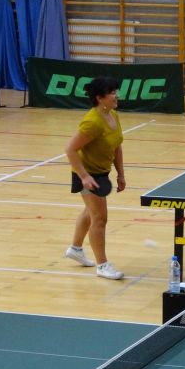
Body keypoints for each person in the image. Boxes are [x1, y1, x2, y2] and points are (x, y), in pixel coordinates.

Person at [63, 76, 127, 280]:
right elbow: (70, 149)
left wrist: (120, 174)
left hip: (101, 171)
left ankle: (75, 249)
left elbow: (116, 145)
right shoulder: (92, 122)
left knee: (91, 212)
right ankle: (102, 265)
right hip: (87, 173)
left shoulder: (112, 115)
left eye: (115, 91)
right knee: (100, 218)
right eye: (112, 93)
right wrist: (84, 176)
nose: (116, 95)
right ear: (100, 98)